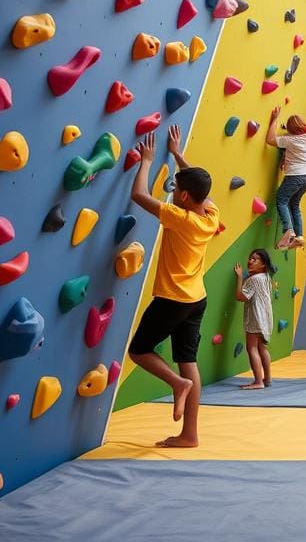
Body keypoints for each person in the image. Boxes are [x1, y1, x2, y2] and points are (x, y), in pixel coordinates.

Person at [127, 125, 219, 448]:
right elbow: (199, 191)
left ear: (181, 196)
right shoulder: (208, 215)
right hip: (197, 299)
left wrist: (147, 161)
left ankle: (176, 384)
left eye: (176, 187)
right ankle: (189, 435)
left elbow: (139, 196)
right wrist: (179, 156)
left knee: (138, 350)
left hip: (173, 299)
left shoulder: (180, 218)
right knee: (188, 360)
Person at [266, 96, 306, 250]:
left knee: (281, 199)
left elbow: (270, 139)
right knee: (294, 204)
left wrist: (274, 120)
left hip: (295, 176)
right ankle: (299, 237)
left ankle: (288, 231)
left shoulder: (290, 140)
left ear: (290, 131)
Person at [233, 249, 276, 390]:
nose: (250, 261)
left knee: (251, 348)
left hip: (255, 317)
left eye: (255, 259)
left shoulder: (253, 280)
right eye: (250, 258)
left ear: (263, 265)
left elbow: (240, 297)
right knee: (262, 347)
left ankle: (258, 381)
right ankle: (267, 378)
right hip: (266, 317)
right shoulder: (266, 277)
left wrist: (239, 277)